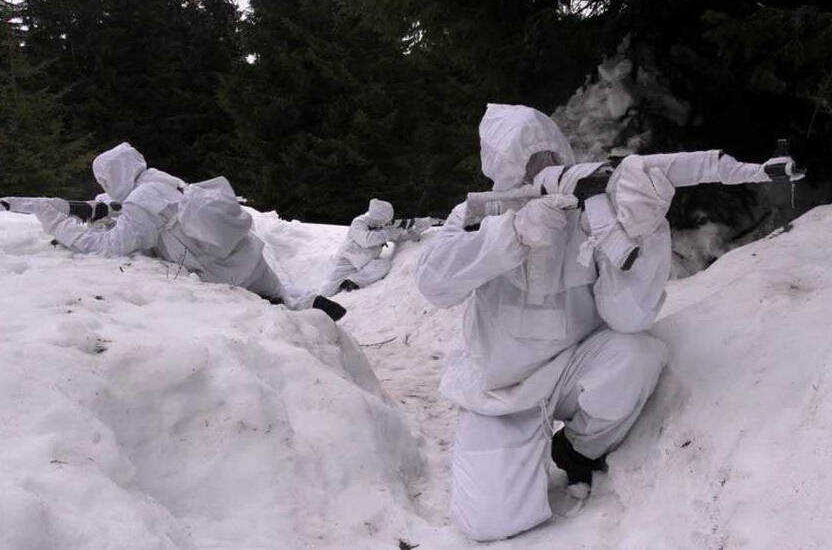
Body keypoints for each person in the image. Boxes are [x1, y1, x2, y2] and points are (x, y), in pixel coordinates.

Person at [415, 103, 784, 541]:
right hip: (500, 389)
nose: (543, 168)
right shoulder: (480, 215)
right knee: (490, 521)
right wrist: (511, 235)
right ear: (503, 167)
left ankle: (575, 450)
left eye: (550, 156)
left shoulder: (590, 210)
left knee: (638, 355)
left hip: (574, 368)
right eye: (528, 161)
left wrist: (644, 230)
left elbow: (629, 315)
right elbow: (434, 284)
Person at [2, 142, 346, 321]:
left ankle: (300, 324)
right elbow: (143, 209)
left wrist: (58, 223)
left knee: (265, 309)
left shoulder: (139, 201)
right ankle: (309, 304)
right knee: (279, 292)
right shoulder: (158, 179)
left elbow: (109, 246)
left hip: (218, 268)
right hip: (244, 252)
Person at [320, 199, 430, 296]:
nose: (387, 222)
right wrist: (388, 233)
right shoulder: (359, 222)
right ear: (378, 216)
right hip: (346, 261)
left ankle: (351, 282)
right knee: (326, 292)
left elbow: (399, 236)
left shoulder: (383, 225)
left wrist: (414, 231)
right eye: (385, 219)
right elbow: (366, 240)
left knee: (383, 265)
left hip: (366, 262)